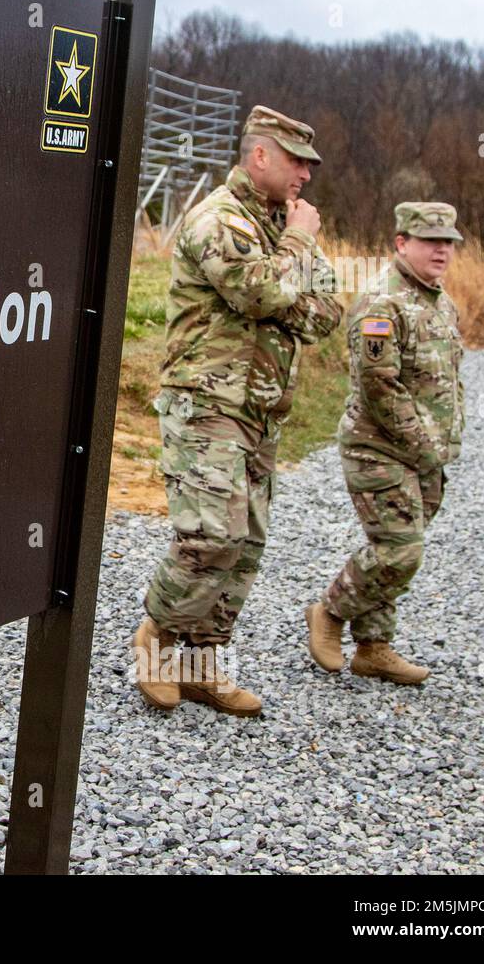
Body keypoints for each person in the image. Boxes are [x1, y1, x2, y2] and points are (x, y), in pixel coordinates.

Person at [134, 106, 342, 716]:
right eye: (298, 161)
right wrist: (297, 253)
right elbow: (259, 292)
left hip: (261, 410)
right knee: (209, 538)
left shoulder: (277, 224)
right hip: (207, 404)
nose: (307, 174)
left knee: (245, 546)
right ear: (260, 156)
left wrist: (282, 288)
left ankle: (203, 667)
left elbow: (326, 312)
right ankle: (156, 640)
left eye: (310, 164)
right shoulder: (217, 219)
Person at [306, 202, 465, 684]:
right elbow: (379, 388)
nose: (441, 250)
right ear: (401, 242)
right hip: (379, 449)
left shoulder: (441, 301)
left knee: (393, 548)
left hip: (428, 455)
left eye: (448, 242)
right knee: (401, 550)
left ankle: (373, 647)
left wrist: (444, 443)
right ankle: (330, 612)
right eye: (429, 240)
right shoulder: (382, 303)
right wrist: (423, 443)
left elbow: (448, 379)